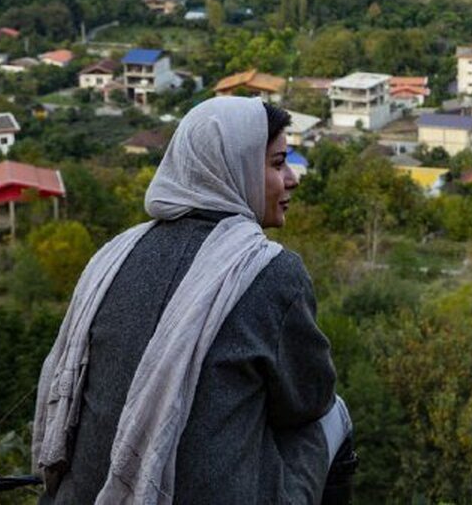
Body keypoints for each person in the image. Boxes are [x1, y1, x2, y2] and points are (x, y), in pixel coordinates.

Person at [32, 96, 353, 504]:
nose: (292, 178)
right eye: (276, 164)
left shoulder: (115, 254)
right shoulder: (268, 272)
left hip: (87, 494)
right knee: (334, 413)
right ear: (233, 170)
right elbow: (308, 399)